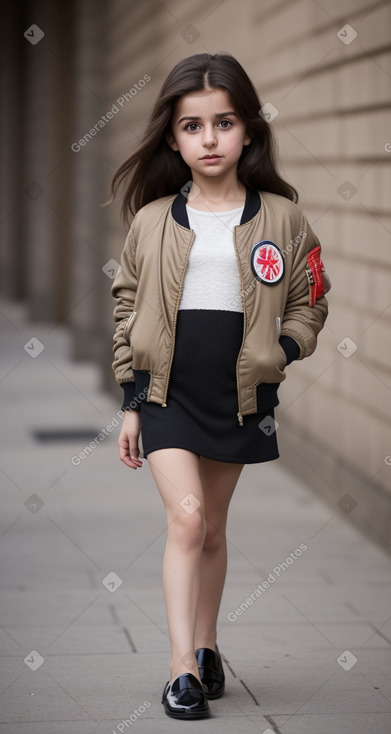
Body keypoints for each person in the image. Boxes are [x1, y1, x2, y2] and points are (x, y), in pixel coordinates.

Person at [108, 52, 330, 720]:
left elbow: (310, 298)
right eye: (192, 126)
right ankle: (180, 670)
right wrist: (128, 400)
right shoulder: (150, 221)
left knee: (211, 530)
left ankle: (207, 648)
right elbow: (125, 308)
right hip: (165, 392)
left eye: (223, 122)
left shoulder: (283, 218)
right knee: (187, 517)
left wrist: (281, 351)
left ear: (248, 131)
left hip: (239, 397)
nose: (208, 138)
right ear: (172, 139)